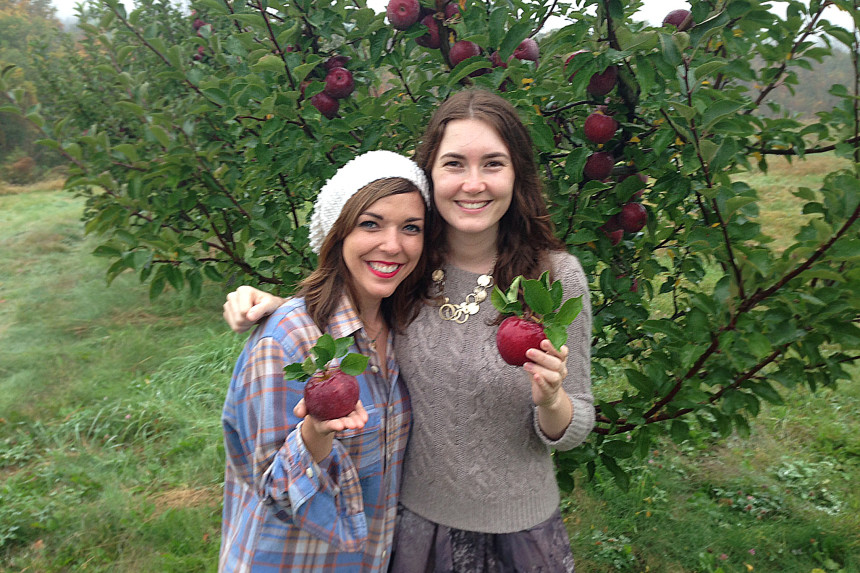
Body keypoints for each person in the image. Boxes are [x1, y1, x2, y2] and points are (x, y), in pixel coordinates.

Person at [223, 90, 595, 572]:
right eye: (455, 164)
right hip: (414, 530)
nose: (473, 183)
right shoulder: (413, 269)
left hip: (519, 533)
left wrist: (550, 400)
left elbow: (574, 426)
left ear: (517, 174)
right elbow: (351, 304)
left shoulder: (554, 279)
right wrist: (285, 313)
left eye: (494, 164)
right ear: (432, 176)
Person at [219, 149, 430, 572]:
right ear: (338, 233)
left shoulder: (408, 332)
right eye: (370, 224)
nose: (393, 245)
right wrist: (315, 433)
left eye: (411, 228)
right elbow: (273, 490)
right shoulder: (286, 341)